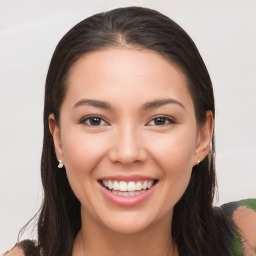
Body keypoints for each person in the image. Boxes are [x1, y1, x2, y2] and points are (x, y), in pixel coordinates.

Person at [4, 6, 256, 256]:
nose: (127, 153)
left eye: (159, 120)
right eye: (94, 120)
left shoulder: (248, 234)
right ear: (57, 139)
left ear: (202, 138)